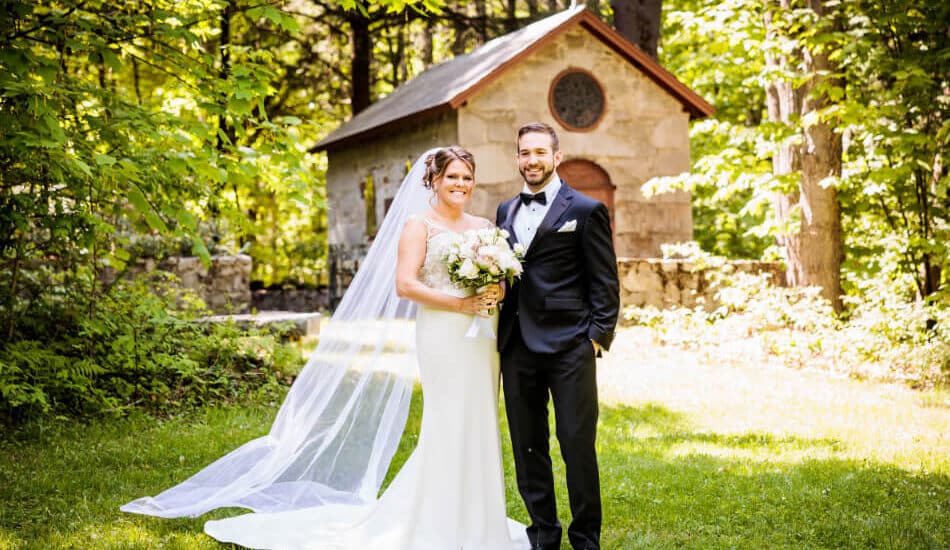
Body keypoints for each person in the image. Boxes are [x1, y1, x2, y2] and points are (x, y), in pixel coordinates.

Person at [123, 147, 529, 550]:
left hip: (482, 336)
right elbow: (405, 284)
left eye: (467, 177)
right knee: (448, 419)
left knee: (479, 418)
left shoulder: (481, 224)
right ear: (435, 181)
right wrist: (459, 303)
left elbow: (499, 273)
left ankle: (478, 518)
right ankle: (437, 520)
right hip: (443, 331)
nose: (461, 184)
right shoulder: (418, 225)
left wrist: (495, 286)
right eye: (453, 177)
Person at [495, 123, 620, 550]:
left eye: (540, 153)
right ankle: (543, 535)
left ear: (556, 156)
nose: (532, 160)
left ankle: (585, 538)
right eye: (524, 153)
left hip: (571, 347)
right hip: (517, 348)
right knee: (528, 448)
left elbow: (605, 280)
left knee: (576, 445)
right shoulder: (504, 212)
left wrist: (596, 338)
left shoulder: (586, 210)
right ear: (516, 158)